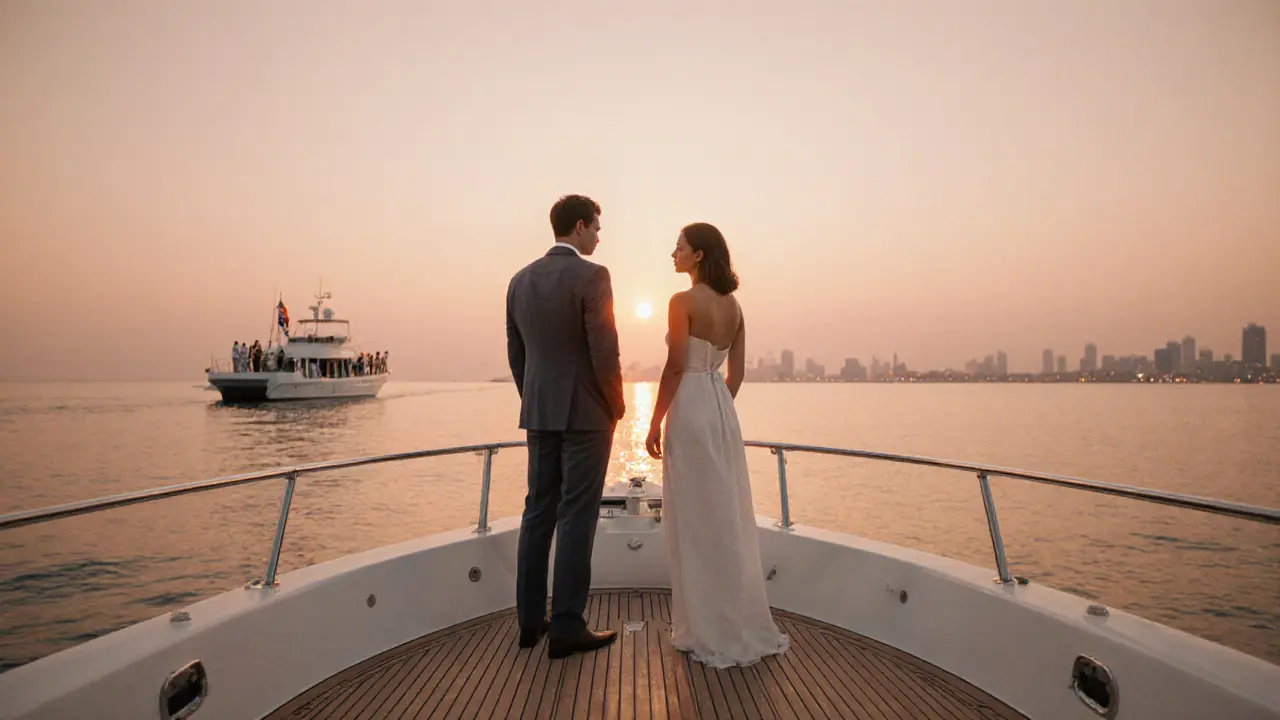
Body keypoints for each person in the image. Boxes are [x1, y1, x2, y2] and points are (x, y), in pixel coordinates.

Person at [645, 222, 790, 667]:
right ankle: (730, 618)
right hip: (722, 411)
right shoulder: (735, 308)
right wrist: (718, 408)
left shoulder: (681, 302)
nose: (673, 253)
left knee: (692, 516)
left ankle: (701, 627)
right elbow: (737, 375)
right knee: (724, 514)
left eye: (680, 247)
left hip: (688, 408)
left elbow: (673, 368)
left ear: (700, 255)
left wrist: (654, 423)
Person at [506, 194, 625, 659]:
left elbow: (518, 355)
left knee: (538, 512)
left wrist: (534, 400)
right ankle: (568, 626)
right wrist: (615, 405)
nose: (599, 235)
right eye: (597, 226)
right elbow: (604, 351)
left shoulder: (520, 281)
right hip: (587, 415)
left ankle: (530, 622)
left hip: (539, 412)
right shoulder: (593, 276)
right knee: (578, 514)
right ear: (579, 226)